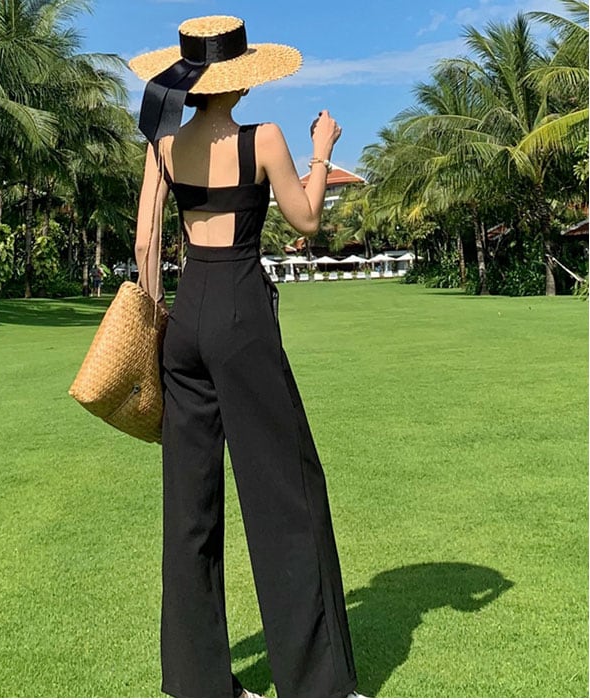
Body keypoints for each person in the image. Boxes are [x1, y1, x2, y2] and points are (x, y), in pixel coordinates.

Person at [130, 15, 365, 699]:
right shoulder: (262, 139)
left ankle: (196, 685)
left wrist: (154, 329)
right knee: (286, 493)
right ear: (240, 81)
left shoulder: (163, 144)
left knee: (190, 508)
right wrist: (321, 151)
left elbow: (146, 244)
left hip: (184, 320)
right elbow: (307, 219)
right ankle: (318, 686)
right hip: (241, 311)